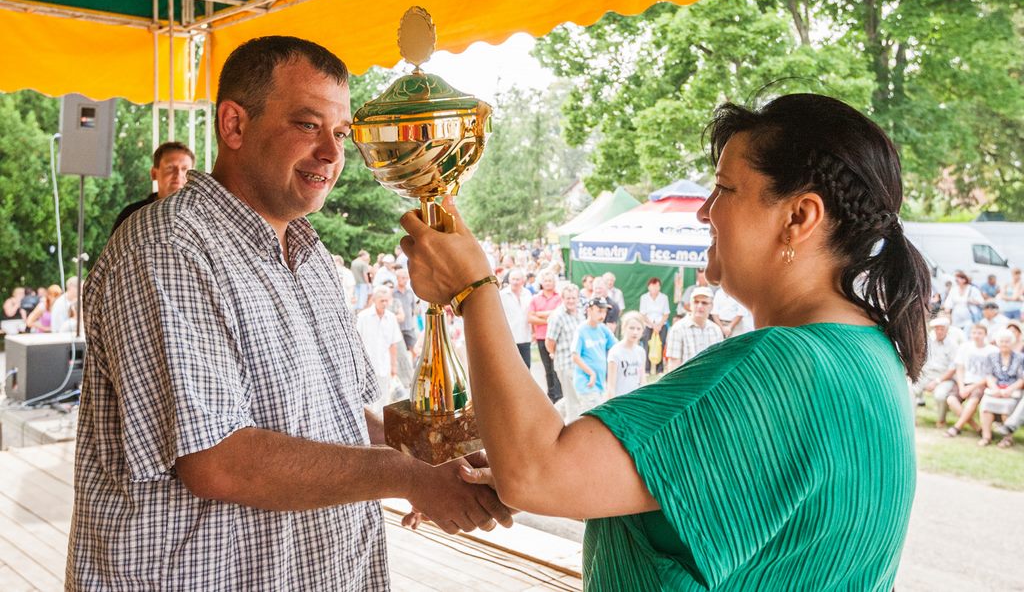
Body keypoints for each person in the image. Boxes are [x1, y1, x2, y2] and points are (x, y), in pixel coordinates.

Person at [398, 92, 929, 590]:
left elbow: (535, 472)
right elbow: (734, 511)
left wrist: (474, 291)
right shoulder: (871, 354)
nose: (705, 210)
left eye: (725, 190)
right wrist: (579, 478)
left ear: (798, 217)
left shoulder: (787, 365)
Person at [68, 36, 511, 590]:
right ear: (234, 125)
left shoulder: (313, 255)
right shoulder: (168, 245)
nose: (331, 152)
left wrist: (436, 458)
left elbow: (339, 416)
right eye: (307, 125)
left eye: (341, 133)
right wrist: (410, 477)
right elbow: (218, 460)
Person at [111, 141, 195, 234]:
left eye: (185, 169)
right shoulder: (131, 215)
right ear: (154, 173)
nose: (178, 174)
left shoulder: (200, 215)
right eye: (170, 168)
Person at [945, 324, 997, 437]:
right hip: (964, 382)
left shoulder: (993, 350)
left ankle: (956, 427)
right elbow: (959, 369)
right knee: (951, 399)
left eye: (980, 333)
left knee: (973, 401)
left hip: (981, 383)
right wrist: (962, 387)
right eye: (974, 333)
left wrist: (972, 387)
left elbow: (991, 375)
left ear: (985, 335)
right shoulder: (965, 347)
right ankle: (977, 427)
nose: (976, 335)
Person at [357, 286, 402, 415]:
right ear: (374, 300)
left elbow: (393, 344)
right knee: (367, 403)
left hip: (384, 366)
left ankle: (381, 424)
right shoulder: (363, 317)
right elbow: (357, 343)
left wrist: (394, 366)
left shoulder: (391, 318)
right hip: (366, 367)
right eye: (382, 300)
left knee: (383, 400)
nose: (384, 303)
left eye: (386, 300)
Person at [977, 329, 1024, 447]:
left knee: (1007, 406)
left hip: (1012, 391)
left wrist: (1009, 389)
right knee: (986, 404)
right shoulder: (991, 356)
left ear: (1012, 343)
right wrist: (995, 389)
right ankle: (986, 436)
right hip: (995, 390)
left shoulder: (1020, 358)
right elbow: (988, 375)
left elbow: (1021, 378)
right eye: (1002, 341)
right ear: (998, 342)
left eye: (1007, 341)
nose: (1004, 344)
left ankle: (1007, 438)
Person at [570, 296, 617, 413]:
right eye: (599, 311)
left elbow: (616, 347)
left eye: (604, 312)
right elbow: (575, 356)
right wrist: (591, 373)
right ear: (589, 310)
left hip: (600, 384)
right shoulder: (581, 330)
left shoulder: (603, 329)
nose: (602, 315)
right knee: (594, 415)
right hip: (587, 384)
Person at [545, 283, 584, 422]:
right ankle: (572, 426)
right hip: (565, 363)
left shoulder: (580, 313)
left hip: (580, 364)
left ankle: (550, 416)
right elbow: (549, 341)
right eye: (568, 298)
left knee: (574, 397)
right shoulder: (557, 316)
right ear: (562, 298)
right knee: (573, 401)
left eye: (574, 298)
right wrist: (554, 354)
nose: (571, 301)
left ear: (578, 298)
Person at [915, 316, 962, 426]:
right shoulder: (929, 342)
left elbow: (953, 369)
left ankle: (941, 421)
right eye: (937, 329)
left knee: (940, 395)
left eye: (942, 329)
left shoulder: (953, 345)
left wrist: (937, 381)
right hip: (926, 374)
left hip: (944, 376)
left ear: (947, 330)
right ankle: (911, 419)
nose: (939, 331)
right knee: (911, 389)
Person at [664, 287, 723, 371]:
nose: (699, 306)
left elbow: (719, 361)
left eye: (704, 303)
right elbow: (673, 365)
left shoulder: (716, 330)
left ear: (711, 306)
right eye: (696, 302)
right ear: (690, 304)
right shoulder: (678, 329)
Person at [527, 270, 562, 404]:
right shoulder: (535, 298)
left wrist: (540, 314)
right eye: (546, 281)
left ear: (554, 282)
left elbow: (559, 314)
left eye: (550, 280)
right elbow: (530, 318)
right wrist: (549, 318)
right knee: (547, 368)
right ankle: (552, 394)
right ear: (541, 282)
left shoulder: (559, 297)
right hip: (542, 336)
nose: (548, 283)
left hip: (557, 337)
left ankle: (559, 395)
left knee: (557, 367)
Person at [605, 311, 646, 398]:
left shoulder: (641, 352)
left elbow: (642, 380)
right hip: (620, 400)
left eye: (638, 329)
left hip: (636, 399)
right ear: (624, 328)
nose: (635, 332)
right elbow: (611, 385)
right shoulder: (615, 352)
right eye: (631, 328)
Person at [499, 268, 533, 368]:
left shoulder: (527, 294)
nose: (515, 282)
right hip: (509, 338)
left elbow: (531, 313)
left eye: (518, 279)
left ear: (523, 280)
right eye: (513, 279)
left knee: (526, 366)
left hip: (525, 337)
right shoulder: (502, 295)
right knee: (511, 367)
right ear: (509, 280)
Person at [638, 277, 670, 371]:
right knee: (646, 346)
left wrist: (659, 325)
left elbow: (666, 313)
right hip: (648, 325)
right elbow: (643, 314)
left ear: (660, 287)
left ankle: (659, 369)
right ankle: (647, 369)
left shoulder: (664, 297)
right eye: (652, 286)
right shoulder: (644, 297)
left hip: (661, 325)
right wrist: (653, 325)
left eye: (657, 286)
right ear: (648, 287)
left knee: (661, 345)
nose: (655, 288)